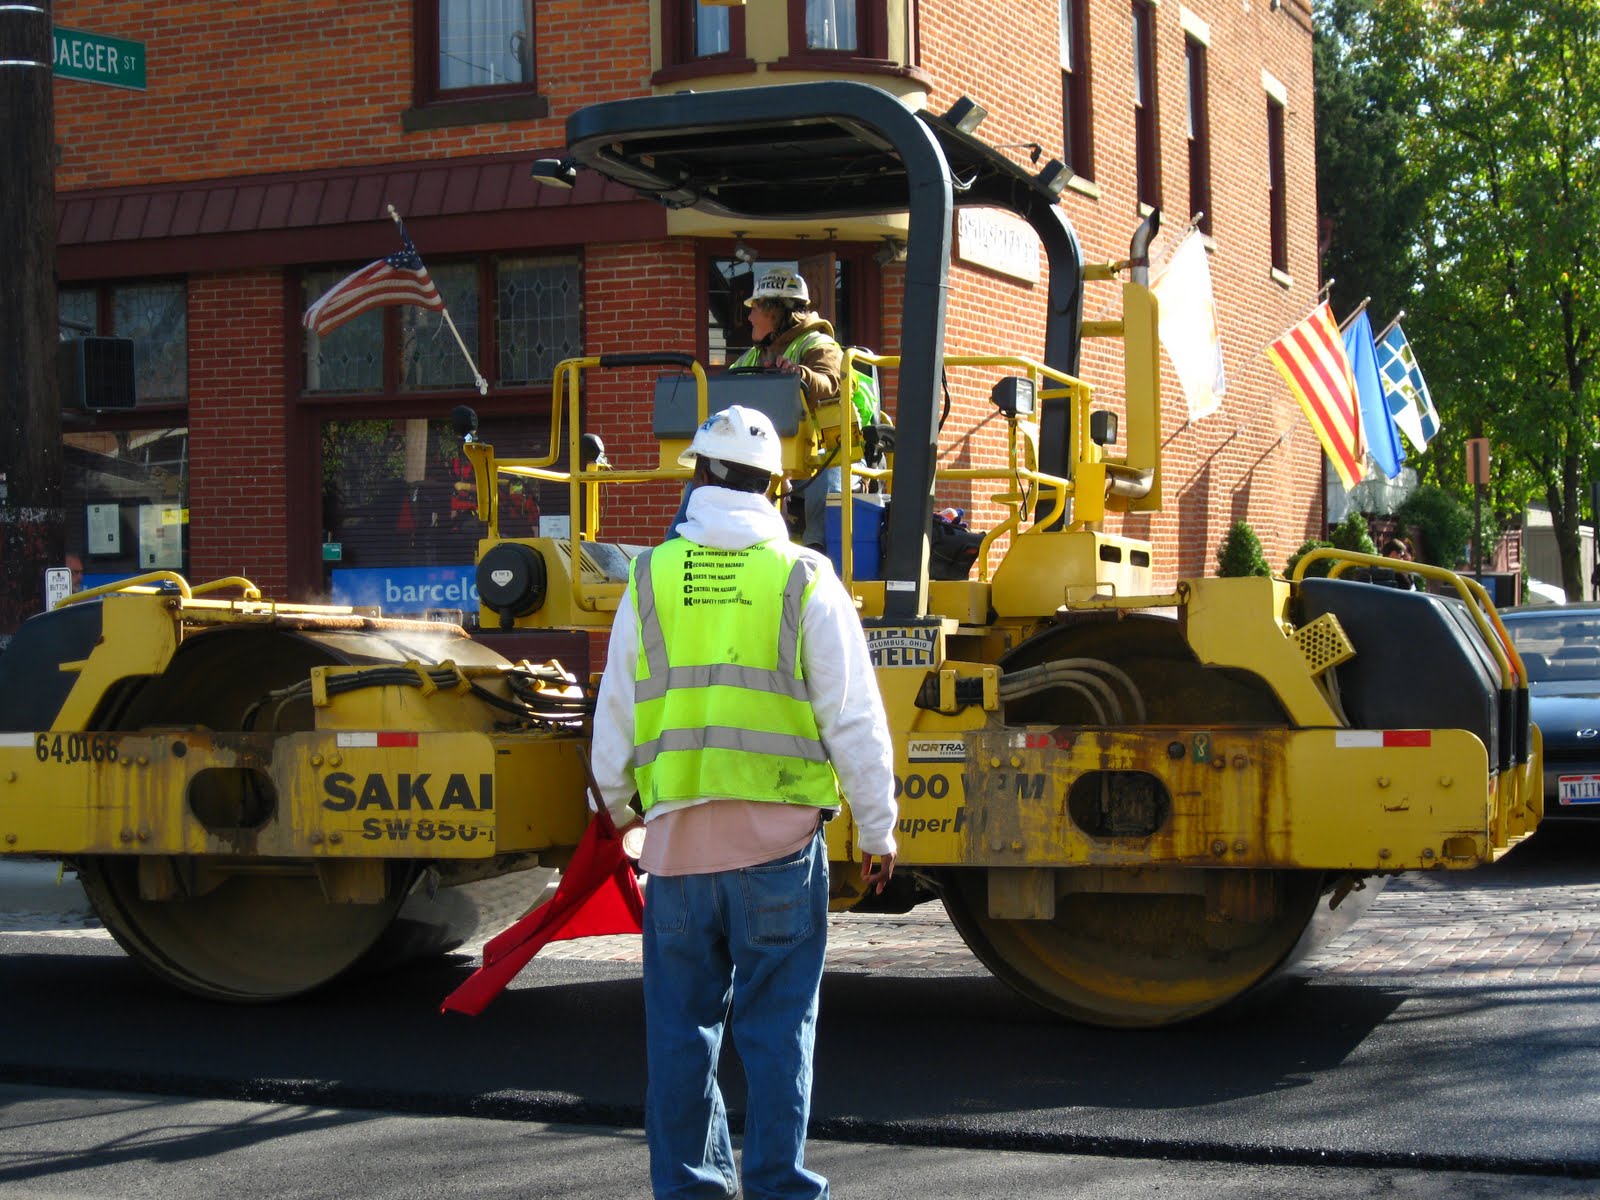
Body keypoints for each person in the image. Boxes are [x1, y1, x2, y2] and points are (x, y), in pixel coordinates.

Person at [592, 404, 898, 1200]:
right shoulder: (804, 576)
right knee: (777, 1034)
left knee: (680, 1038)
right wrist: (878, 827)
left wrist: (620, 811)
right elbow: (853, 718)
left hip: (677, 856)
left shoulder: (650, 577)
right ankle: (779, 1189)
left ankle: (691, 1188)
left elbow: (615, 713)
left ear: (698, 474)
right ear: (774, 486)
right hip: (781, 854)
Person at [733, 267, 845, 552]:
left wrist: (801, 374)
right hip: (766, 452)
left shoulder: (819, 344)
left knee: (827, 466)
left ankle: (819, 548)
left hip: (815, 451)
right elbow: (726, 390)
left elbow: (832, 385)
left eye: (755, 309)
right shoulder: (752, 356)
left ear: (775, 311)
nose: (749, 317)